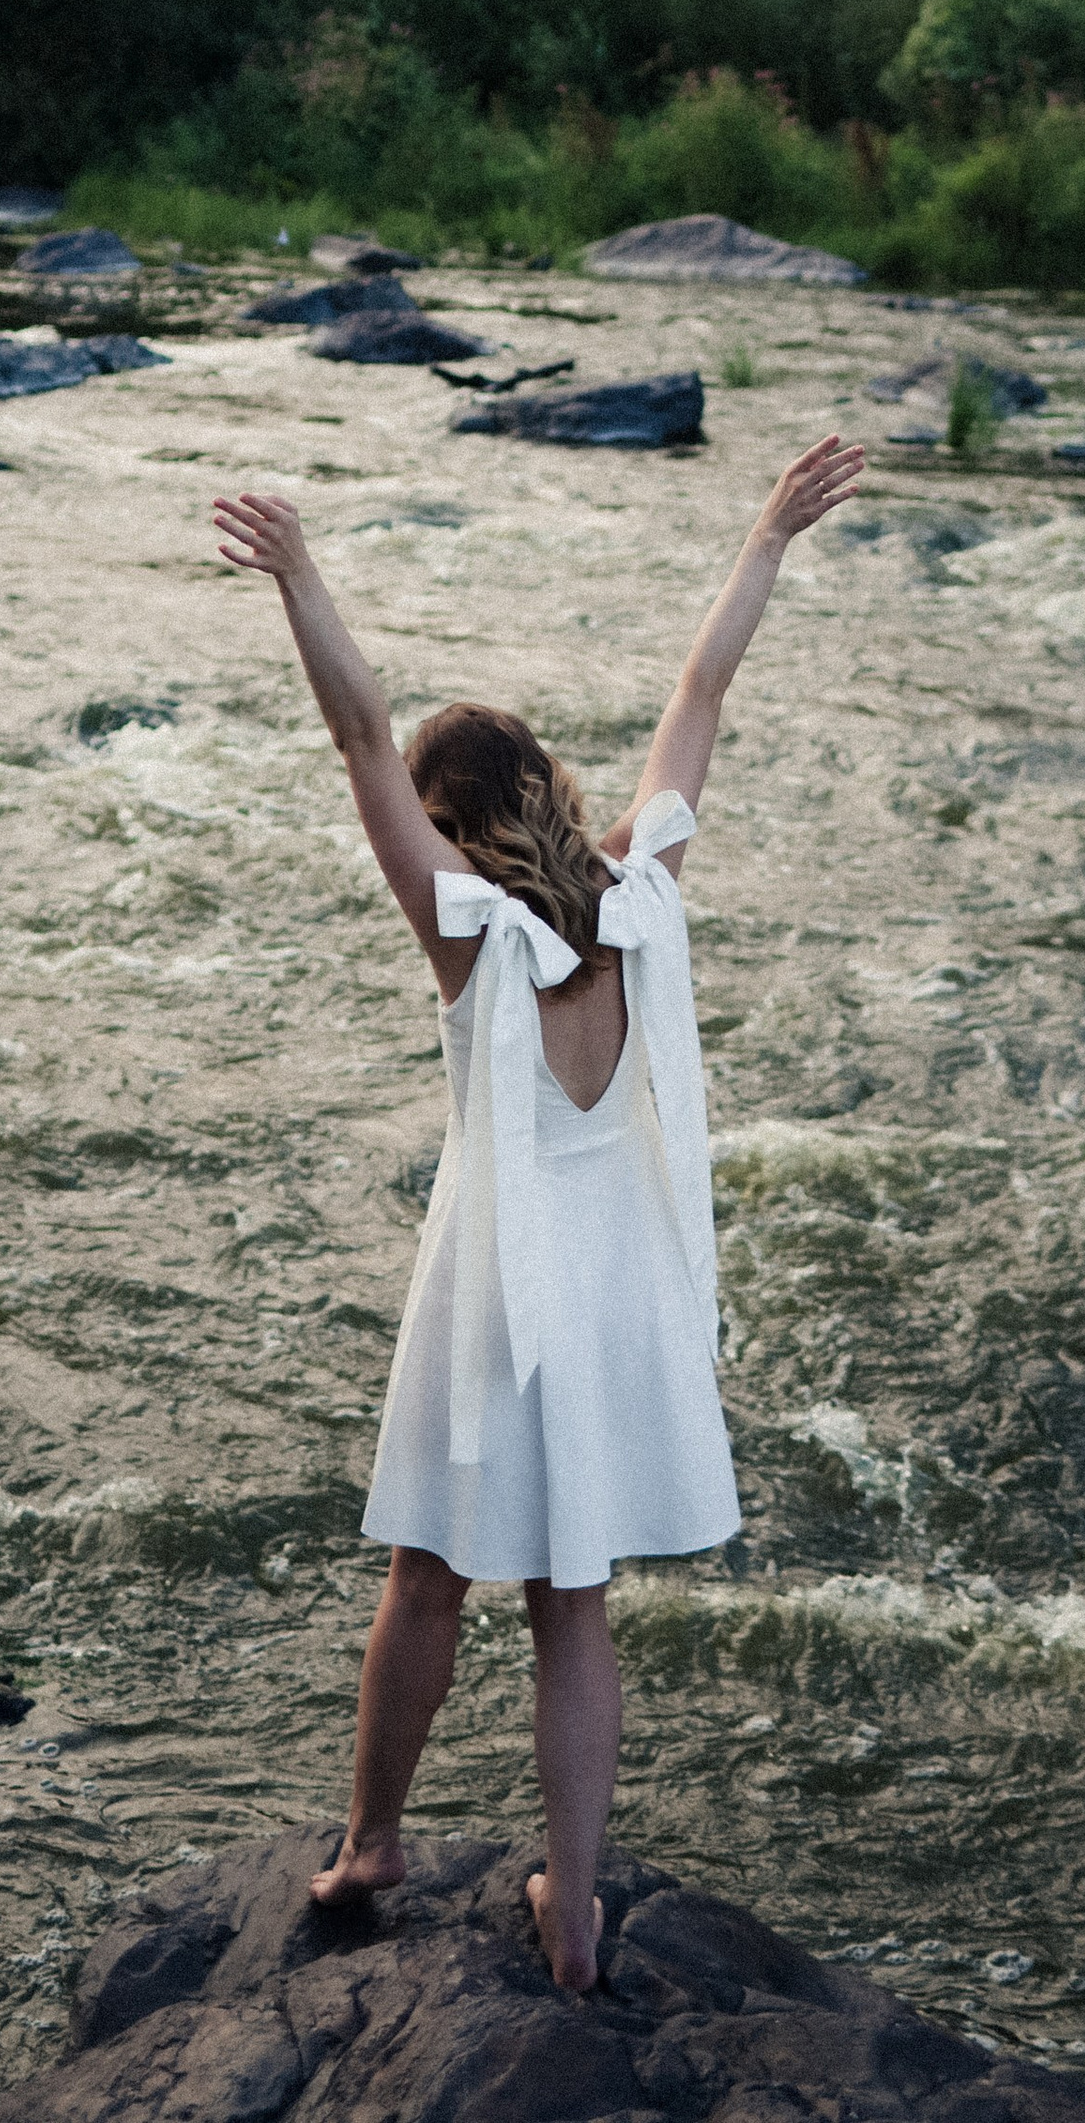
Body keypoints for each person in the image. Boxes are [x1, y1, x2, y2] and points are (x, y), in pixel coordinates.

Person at [210, 432, 864, 1993]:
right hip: (622, 1280)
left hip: (502, 1283)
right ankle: (570, 1902)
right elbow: (701, 700)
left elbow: (360, 735)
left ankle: (373, 1841)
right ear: (554, 791)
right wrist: (768, 533)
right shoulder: (636, 897)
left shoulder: (471, 940)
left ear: (447, 826)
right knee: (576, 1605)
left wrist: (302, 575)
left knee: (429, 1568)